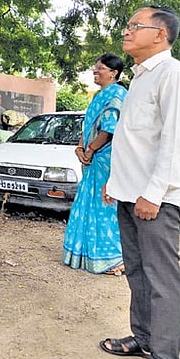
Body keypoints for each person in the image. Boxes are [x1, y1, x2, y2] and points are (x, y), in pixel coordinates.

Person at [100, 6, 180, 359]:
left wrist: (154, 194)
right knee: (138, 272)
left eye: (134, 26)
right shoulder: (141, 77)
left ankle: (164, 353)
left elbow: (177, 141)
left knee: (161, 280)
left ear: (160, 34)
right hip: (130, 193)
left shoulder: (175, 75)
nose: (126, 31)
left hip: (154, 199)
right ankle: (143, 338)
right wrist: (115, 181)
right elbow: (134, 139)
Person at [62, 53, 127, 274]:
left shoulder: (117, 94)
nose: (95, 71)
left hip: (106, 160)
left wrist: (90, 150)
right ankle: (85, 254)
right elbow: (89, 127)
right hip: (92, 158)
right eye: (95, 67)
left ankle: (113, 259)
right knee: (89, 205)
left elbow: (109, 129)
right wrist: (80, 148)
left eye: (100, 68)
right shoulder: (98, 96)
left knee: (104, 206)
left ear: (113, 72)